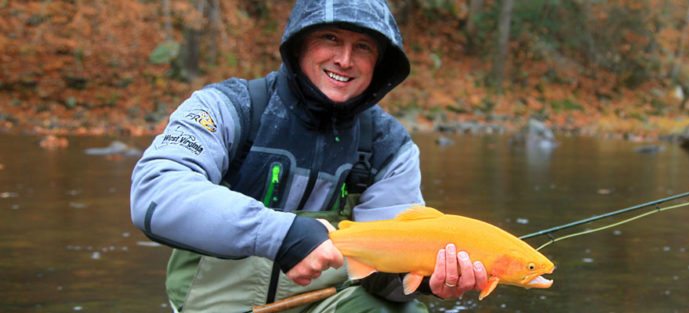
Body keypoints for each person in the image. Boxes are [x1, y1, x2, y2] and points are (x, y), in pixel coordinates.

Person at [130, 0, 487, 312]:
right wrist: (281, 235)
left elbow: (385, 283)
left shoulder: (389, 147)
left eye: (363, 47)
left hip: (327, 307)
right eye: (330, 38)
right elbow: (154, 192)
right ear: (299, 45)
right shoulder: (226, 107)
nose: (345, 60)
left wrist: (421, 277)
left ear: (379, 64)